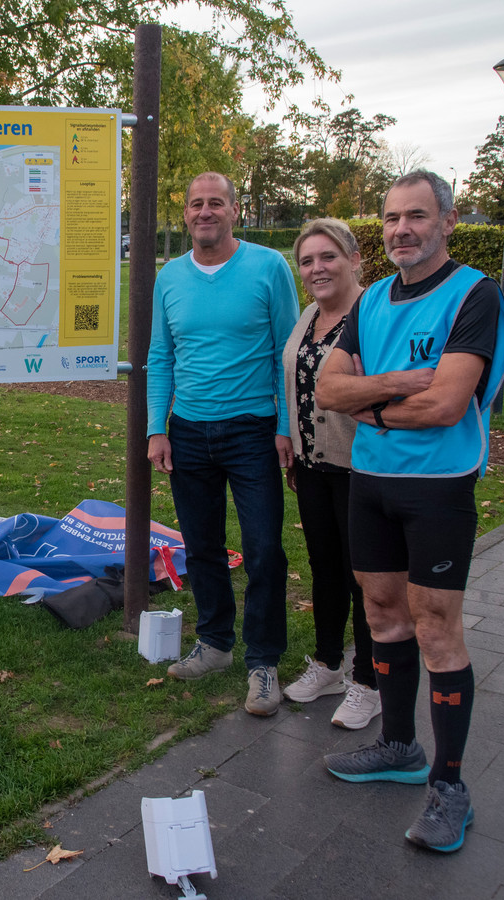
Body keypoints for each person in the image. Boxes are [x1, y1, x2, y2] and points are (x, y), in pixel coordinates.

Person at [316, 170, 504, 853]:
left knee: (436, 628)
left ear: (447, 222)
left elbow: (447, 405)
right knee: (381, 617)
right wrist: (394, 386)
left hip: (439, 487)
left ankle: (449, 788)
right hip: (370, 482)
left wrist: (365, 401)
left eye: (418, 216)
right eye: (393, 217)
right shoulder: (370, 301)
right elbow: (325, 389)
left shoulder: (475, 295)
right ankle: (399, 747)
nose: (403, 228)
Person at [148, 172, 298, 716]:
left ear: (235, 210)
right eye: (196, 204)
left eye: (216, 203)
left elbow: (290, 350)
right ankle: (214, 645)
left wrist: (287, 427)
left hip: (253, 431)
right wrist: (156, 428)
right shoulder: (170, 277)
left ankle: (263, 662)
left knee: (263, 550)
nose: (205, 211)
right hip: (188, 431)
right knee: (202, 547)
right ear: (185, 214)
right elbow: (161, 356)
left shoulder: (268, 267)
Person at [280, 218, 380, 730]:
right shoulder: (308, 316)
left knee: (364, 575)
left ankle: (369, 681)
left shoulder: (374, 312)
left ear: (354, 259)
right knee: (324, 567)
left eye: (328, 257)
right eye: (308, 260)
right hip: (312, 465)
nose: (317, 268)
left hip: (361, 466)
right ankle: (328, 664)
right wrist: (292, 441)